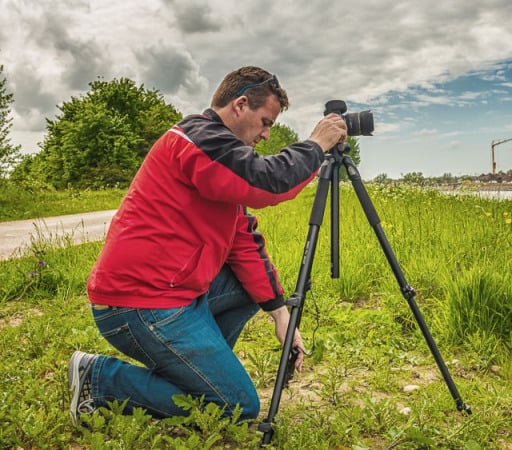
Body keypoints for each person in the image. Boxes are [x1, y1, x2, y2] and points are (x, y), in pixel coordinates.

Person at [68, 66, 347, 426]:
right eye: (264, 122)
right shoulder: (196, 138)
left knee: (248, 288)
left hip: (170, 292)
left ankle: (198, 372)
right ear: (240, 104)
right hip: (137, 302)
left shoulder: (220, 156)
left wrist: (279, 311)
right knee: (237, 406)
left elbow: (243, 238)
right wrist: (315, 147)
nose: (265, 134)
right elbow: (268, 181)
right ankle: (99, 379)